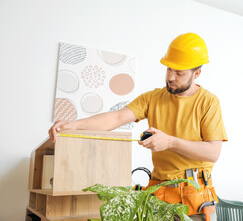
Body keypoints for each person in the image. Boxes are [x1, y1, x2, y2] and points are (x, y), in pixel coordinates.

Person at [49, 33, 228, 221]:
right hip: (158, 202)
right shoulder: (153, 98)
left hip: (196, 205)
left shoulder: (208, 102)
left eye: (179, 73)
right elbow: (116, 117)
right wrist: (74, 125)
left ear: (197, 73)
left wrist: (169, 142)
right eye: (168, 70)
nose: (171, 77)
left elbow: (212, 152)